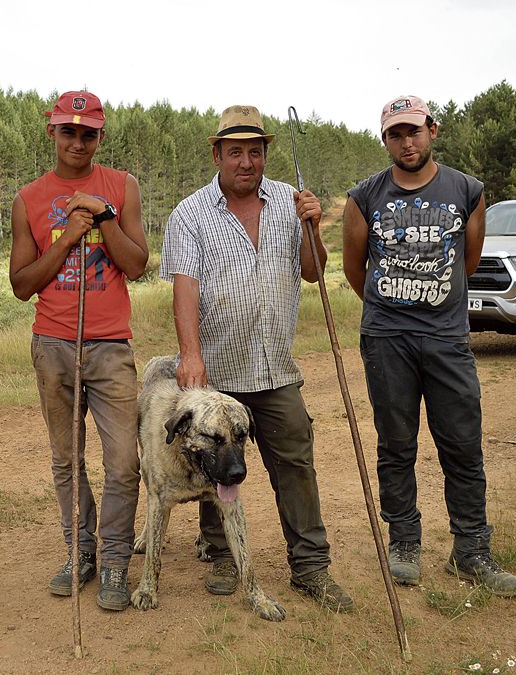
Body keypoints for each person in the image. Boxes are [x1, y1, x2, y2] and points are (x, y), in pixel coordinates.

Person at [160, 105, 355, 612]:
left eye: (254, 151)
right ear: (217, 154)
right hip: (217, 368)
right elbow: (186, 288)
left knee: (294, 459)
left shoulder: (292, 203)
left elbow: (313, 271)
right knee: (212, 461)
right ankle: (222, 552)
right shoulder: (190, 213)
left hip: (275, 367)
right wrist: (190, 354)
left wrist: (313, 225)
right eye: (235, 152)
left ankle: (310, 567)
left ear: (265, 153)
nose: (245, 162)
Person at [341, 94, 516, 597]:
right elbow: (354, 269)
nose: (406, 142)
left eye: (414, 131)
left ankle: (471, 551)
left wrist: (432, 302)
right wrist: (393, 306)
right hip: (387, 340)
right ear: (385, 140)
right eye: (396, 134)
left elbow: (467, 260)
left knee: (462, 446)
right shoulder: (364, 197)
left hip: (447, 339)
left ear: (432, 131)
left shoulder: (467, 190)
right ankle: (404, 542)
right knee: (396, 444)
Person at [8, 91, 149, 612]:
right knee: (67, 459)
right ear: (52, 133)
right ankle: (79, 550)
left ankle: (113, 560)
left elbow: (136, 264)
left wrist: (103, 219)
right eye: (69, 132)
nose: (78, 142)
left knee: (122, 460)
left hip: (110, 344)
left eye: (88, 133)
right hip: (54, 343)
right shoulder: (29, 198)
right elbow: (22, 284)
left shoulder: (122, 186)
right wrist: (67, 238)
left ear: (100, 136)